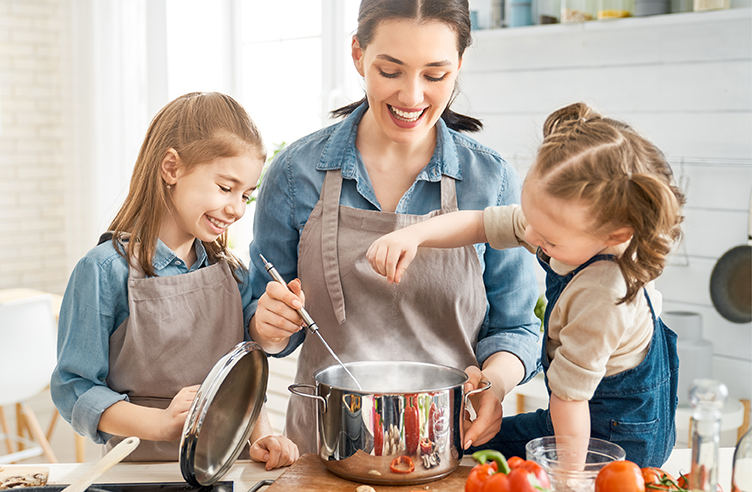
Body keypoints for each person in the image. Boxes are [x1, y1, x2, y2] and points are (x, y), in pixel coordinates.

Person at [245, 0, 542, 454]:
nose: (411, 96)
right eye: (391, 71)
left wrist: (495, 385)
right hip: (325, 449)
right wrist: (267, 327)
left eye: (435, 75)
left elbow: (518, 327)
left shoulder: (491, 179)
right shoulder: (294, 174)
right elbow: (264, 321)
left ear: (459, 65)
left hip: (446, 444)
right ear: (358, 54)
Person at [367, 102, 683, 467]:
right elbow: (481, 224)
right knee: (460, 441)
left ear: (615, 234)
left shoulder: (603, 295)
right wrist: (414, 235)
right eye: (530, 218)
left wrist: (568, 479)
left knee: (460, 446)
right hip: (581, 421)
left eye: (547, 238)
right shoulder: (578, 229)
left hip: (609, 443)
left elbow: (570, 402)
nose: (530, 235)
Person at [51, 92, 299, 468]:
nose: (236, 208)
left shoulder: (233, 274)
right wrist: (161, 423)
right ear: (171, 168)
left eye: (246, 195)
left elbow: (245, 379)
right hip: (137, 474)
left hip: (224, 470)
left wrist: (261, 435)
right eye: (225, 187)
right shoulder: (103, 271)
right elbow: (74, 389)